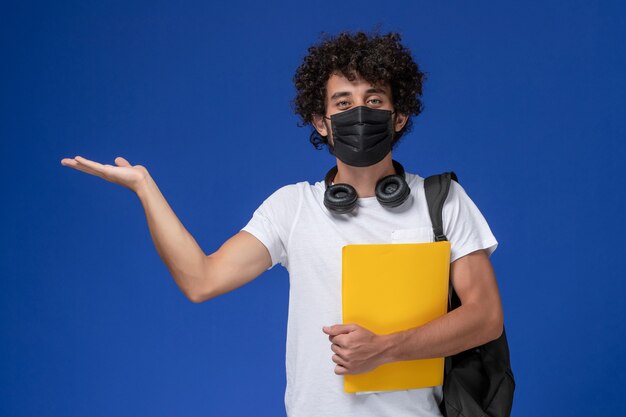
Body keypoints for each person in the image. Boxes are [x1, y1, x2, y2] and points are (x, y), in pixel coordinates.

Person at [61, 31, 504, 417]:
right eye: (343, 103)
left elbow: (485, 317)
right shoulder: (293, 208)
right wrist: (144, 188)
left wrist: (384, 348)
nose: (360, 113)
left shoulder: (441, 202)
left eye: (374, 100)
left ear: (399, 115)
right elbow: (201, 280)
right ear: (321, 122)